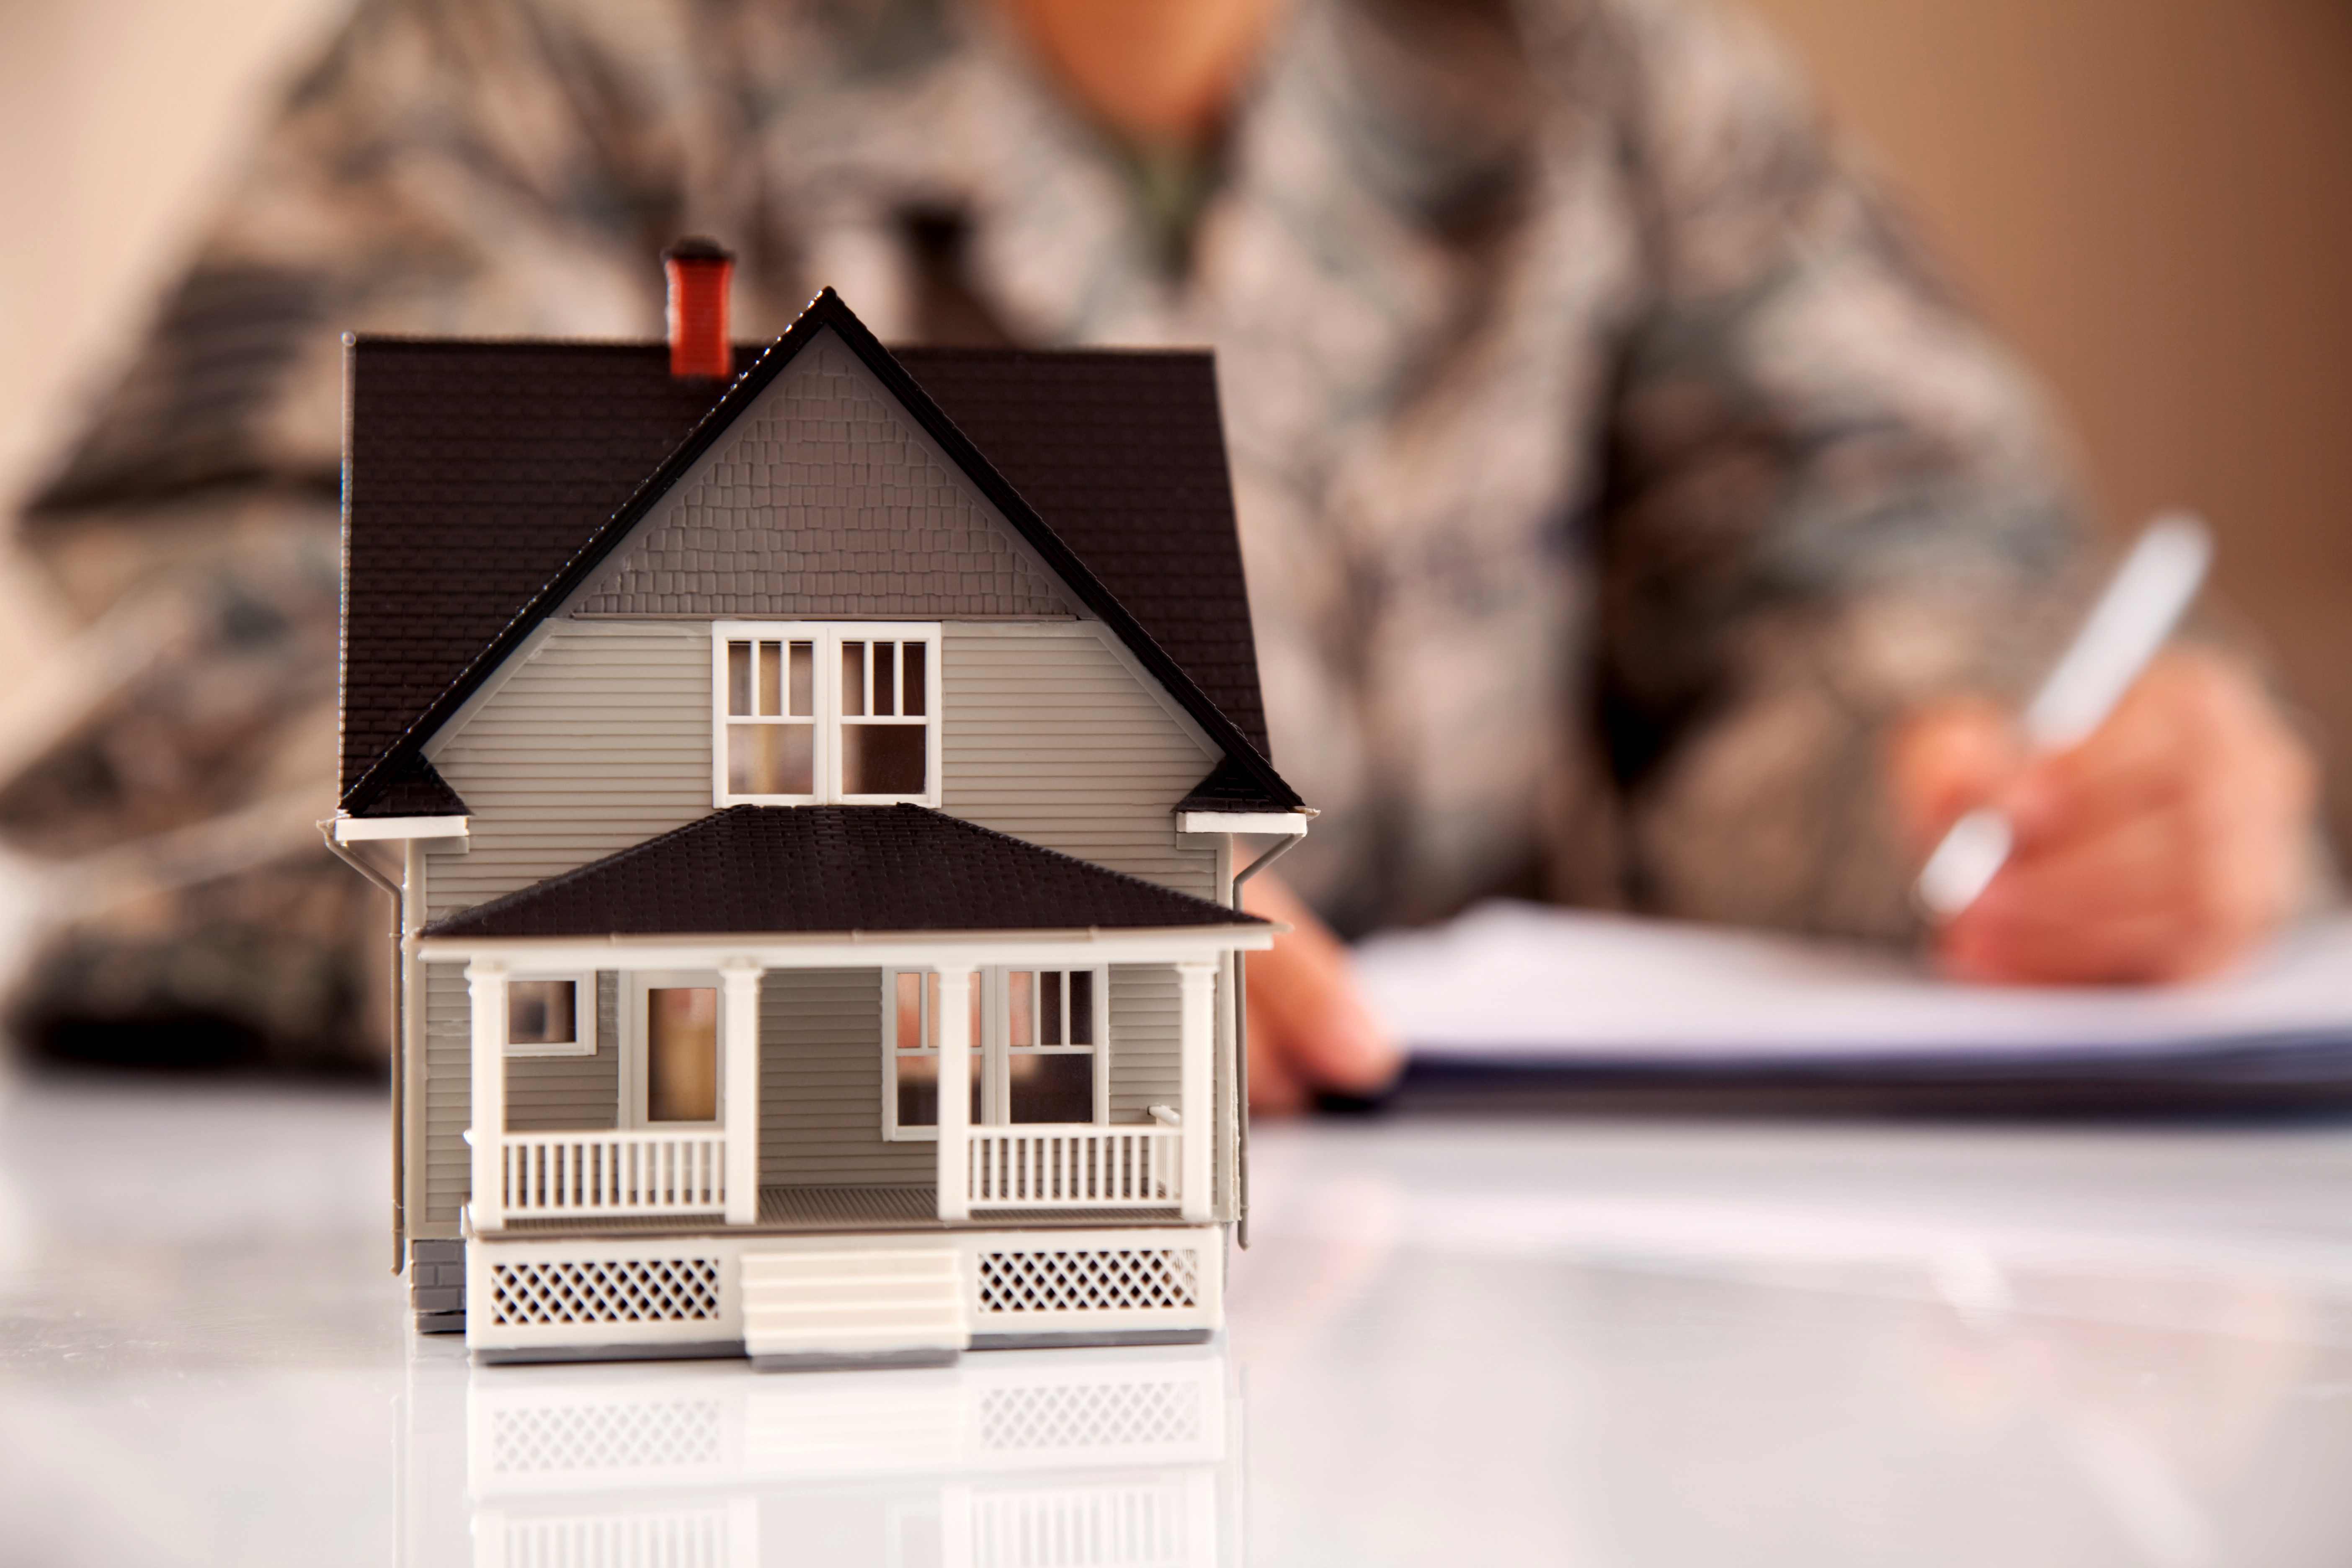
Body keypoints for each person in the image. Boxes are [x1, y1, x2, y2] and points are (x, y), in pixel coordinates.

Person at [11, 0, 2318, 1099]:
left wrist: (2026, 803)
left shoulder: (1605, 91)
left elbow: (1879, 608)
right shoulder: (549, 64)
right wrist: (772, 907)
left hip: (1491, 1380)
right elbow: (190, 702)